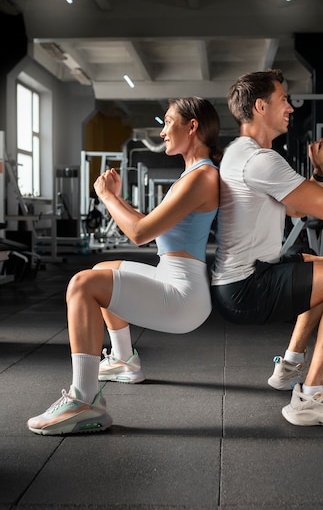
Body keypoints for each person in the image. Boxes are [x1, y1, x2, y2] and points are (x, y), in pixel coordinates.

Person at [28, 97, 222, 435]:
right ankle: (123, 360)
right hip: (173, 277)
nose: (162, 132)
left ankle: (84, 400)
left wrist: (108, 197)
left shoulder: (201, 177)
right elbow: (148, 224)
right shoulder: (194, 174)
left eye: (168, 123)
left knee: (81, 285)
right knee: (103, 269)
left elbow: (138, 233)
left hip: (183, 296)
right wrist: (117, 199)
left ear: (192, 127)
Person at [210, 69, 323, 431]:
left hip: (242, 278)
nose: (291, 106)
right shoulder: (260, 160)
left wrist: (316, 174)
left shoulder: (245, 153)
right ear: (260, 106)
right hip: (247, 287)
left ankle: (290, 368)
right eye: (283, 99)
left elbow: (298, 208)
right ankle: (312, 396)